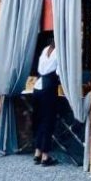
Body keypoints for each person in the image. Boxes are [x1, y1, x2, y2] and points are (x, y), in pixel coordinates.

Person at [32, 38, 59, 166]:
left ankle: (37, 153)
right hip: (49, 87)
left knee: (39, 120)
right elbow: (59, 72)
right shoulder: (60, 52)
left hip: (37, 86)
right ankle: (45, 156)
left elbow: (39, 68)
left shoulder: (45, 49)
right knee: (48, 121)